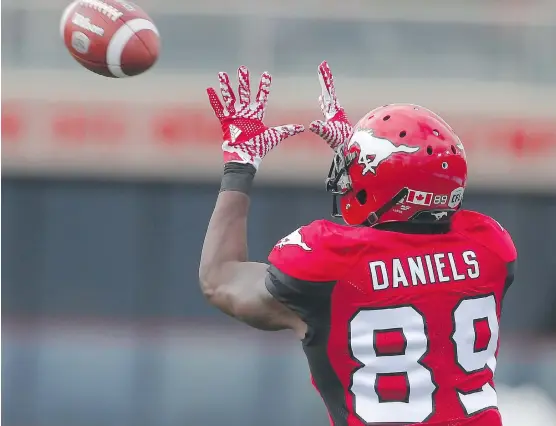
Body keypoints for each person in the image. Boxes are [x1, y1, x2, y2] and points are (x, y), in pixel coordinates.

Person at [199, 62, 517, 426]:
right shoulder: (492, 247)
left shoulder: (332, 262)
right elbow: (421, 238)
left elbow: (219, 279)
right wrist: (369, 158)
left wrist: (239, 168)